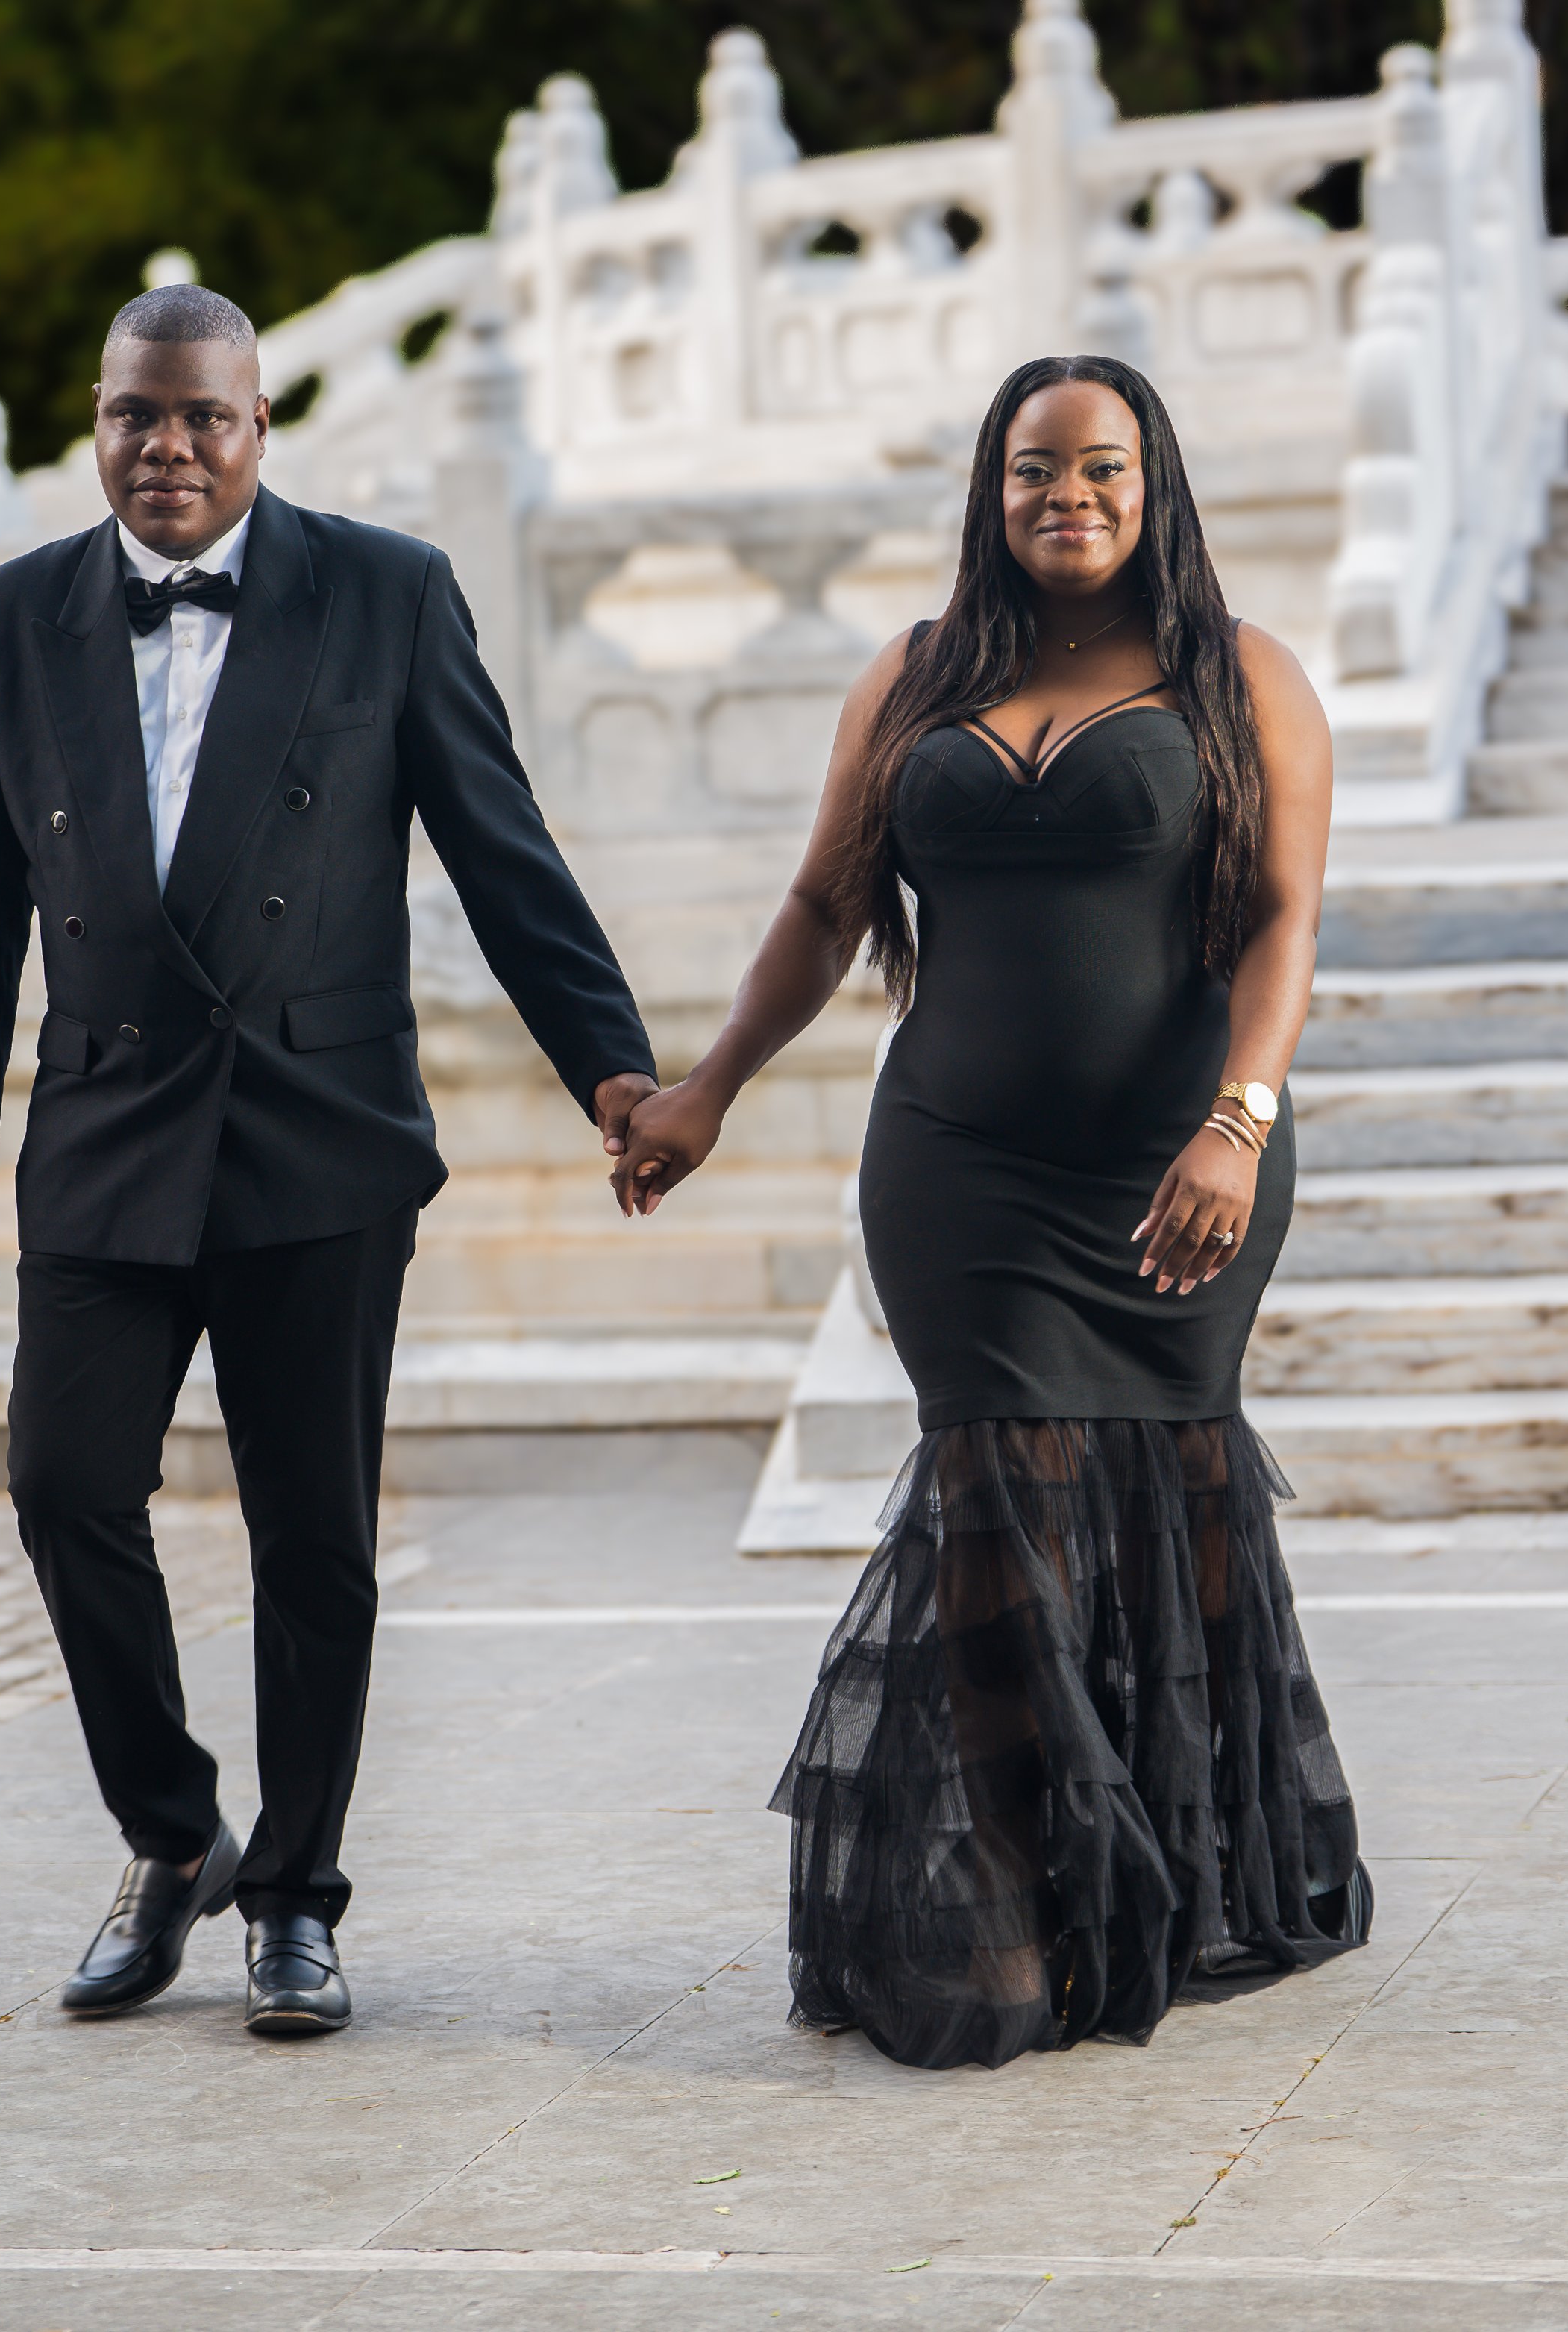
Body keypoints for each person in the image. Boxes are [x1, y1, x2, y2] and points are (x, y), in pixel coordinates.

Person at [0, 283, 656, 2035]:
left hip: (316, 1136)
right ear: (95, 424)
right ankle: (173, 1837)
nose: (165, 448)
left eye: (204, 419)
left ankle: (295, 1898)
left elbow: (501, 850)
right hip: (96, 1129)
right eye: (132, 418)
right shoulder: (4, 619)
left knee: (313, 1537)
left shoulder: (381, 590)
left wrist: (610, 1073)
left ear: (259, 427)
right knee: (63, 1488)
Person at [611, 354, 1370, 2071]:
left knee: (1171, 1501)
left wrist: (1236, 1125)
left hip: (1178, 1160)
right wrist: (708, 1086)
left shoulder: (1239, 676)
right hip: (955, 1167)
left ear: (1150, 480)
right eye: (1033, 468)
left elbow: (1282, 923)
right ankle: (1016, 1901)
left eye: (1100, 466)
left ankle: (1167, 1874)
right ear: (990, 485)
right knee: (991, 1497)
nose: (1066, 496)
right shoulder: (912, 677)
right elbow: (823, 902)